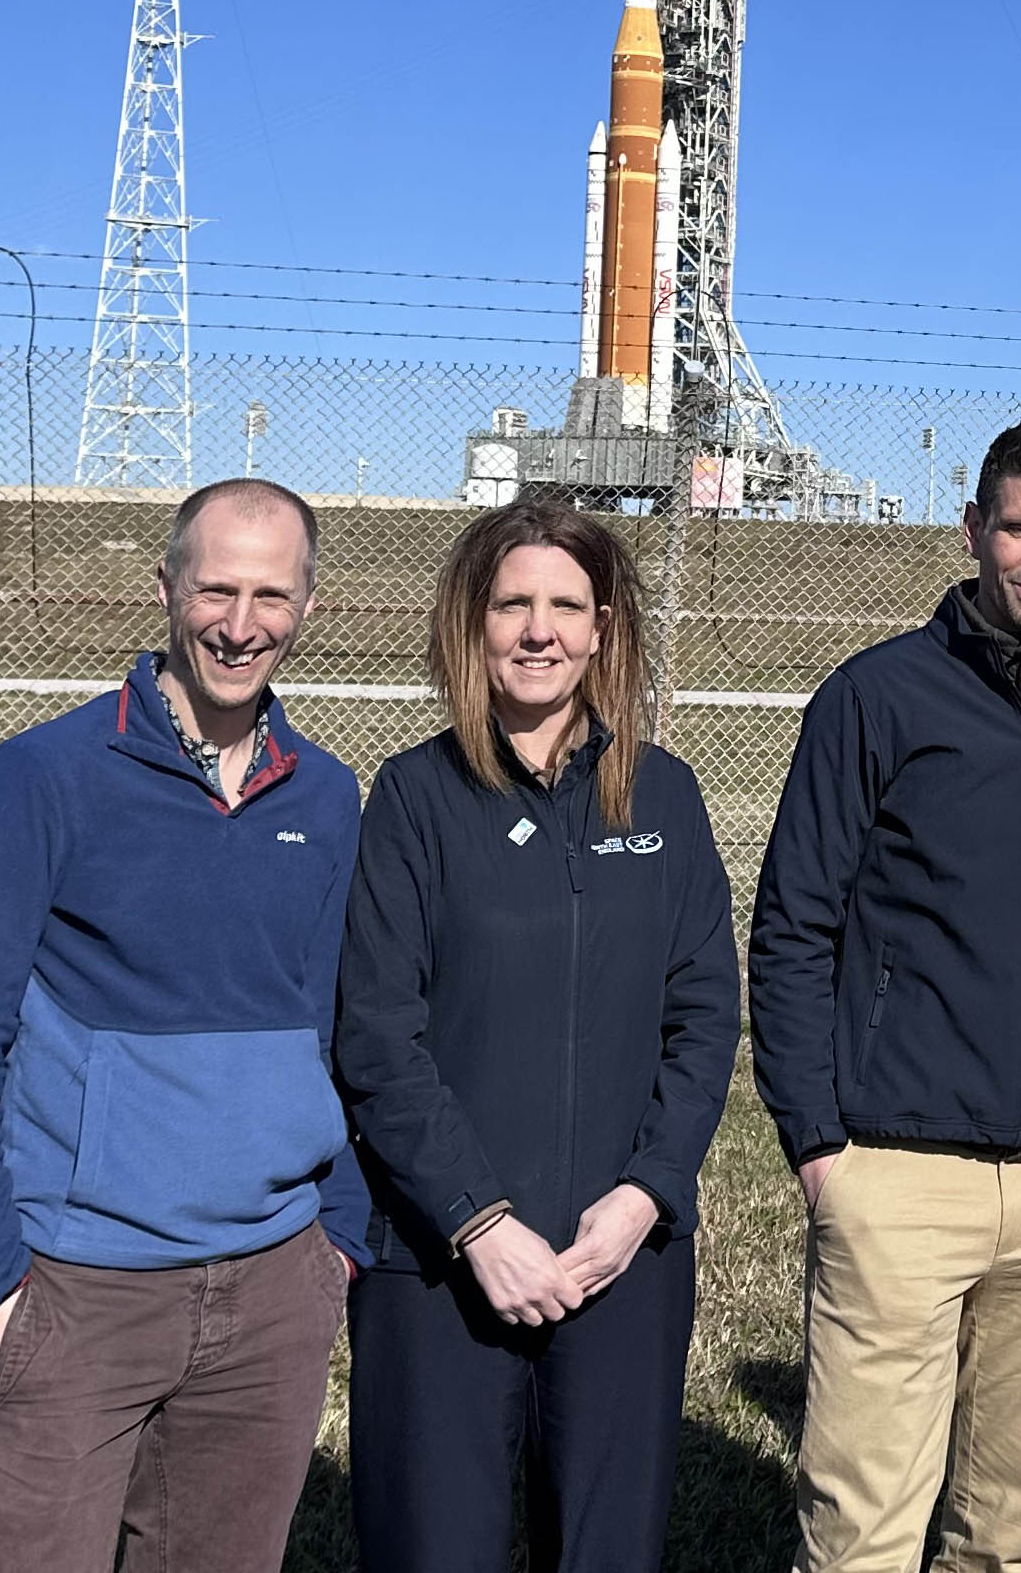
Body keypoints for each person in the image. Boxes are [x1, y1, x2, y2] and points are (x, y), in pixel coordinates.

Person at [0, 478, 366, 1573]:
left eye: (271, 596)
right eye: (215, 589)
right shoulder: (45, 777)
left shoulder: (326, 798)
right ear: (164, 589)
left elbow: (338, 1023)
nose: (240, 624)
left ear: (307, 609)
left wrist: (336, 1238)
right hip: (74, 1284)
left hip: (273, 1286)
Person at [748, 418, 1021, 1573]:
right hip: (895, 1170)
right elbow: (793, 925)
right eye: (1019, 527)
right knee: (863, 1518)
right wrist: (819, 1143)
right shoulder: (877, 698)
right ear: (973, 528)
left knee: (1010, 1522)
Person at [333, 499, 738, 1573]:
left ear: (603, 629)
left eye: (567, 605)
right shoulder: (415, 799)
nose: (538, 629)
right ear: (474, 623)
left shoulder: (664, 795)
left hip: (622, 1256)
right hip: (441, 1263)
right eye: (513, 603)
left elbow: (704, 1020)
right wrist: (477, 1224)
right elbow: (378, 1038)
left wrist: (646, 1194)